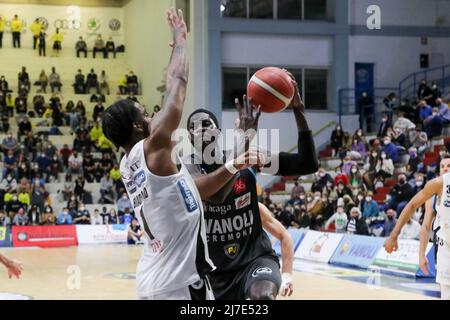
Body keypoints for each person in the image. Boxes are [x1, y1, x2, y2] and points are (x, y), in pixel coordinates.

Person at [101, 8, 248, 300]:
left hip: (158, 280)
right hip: (177, 286)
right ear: (136, 127)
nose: (153, 114)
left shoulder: (133, 164)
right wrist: (181, 40)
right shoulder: (154, 149)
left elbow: (197, 190)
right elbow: (176, 87)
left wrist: (233, 165)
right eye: (145, 114)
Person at [183, 70, 318, 300]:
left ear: (218, 131)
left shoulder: (248, 157)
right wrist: (246, 137)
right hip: (214, 273)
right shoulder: (187, 169)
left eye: (206, 123)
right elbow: (217, 194)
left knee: (262, 296)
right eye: (194, 127)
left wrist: (298, 108)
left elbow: (307, 163)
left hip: (255, 261)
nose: (201, 128)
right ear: (189, 138)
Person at [384, 155, 450, 300]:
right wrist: (394, 235)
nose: (446, 169)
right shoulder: (437, 185)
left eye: (449, 166)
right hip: (445, 247)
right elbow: (416, 211)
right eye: (443, 166)